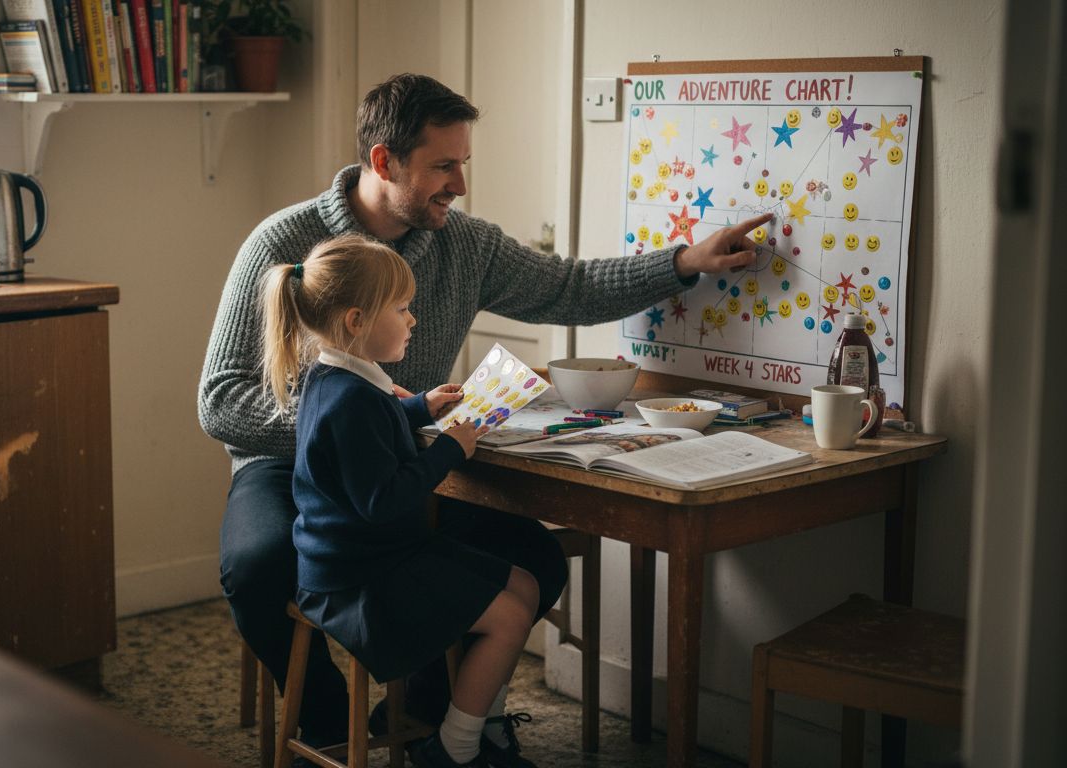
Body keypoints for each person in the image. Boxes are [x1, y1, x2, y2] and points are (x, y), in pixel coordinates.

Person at [198, 73, 771, 765]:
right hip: (287, 462)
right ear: (384, 161)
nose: (461, 185)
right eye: (443, 166)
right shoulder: (282, 242)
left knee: (532, 561)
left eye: (463, 163)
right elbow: (220, 400)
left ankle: (424, 718)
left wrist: (683, 262)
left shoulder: (465, 245)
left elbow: (571, 287)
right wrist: (347, 432)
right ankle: (323, 723)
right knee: (257, 565)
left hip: (407, 459)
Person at [261, 233, 536, 767]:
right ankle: (455, 750)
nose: (413, 320)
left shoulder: (337, 377)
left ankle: (484, 728)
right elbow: (383, 500)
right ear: (356, 321)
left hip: (373, 556)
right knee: (509, 618)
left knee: (523, 584)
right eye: (402, 308)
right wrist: (449, 449)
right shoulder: (349, 400)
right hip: (358, 578)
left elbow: (374, 429)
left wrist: (421, 407)